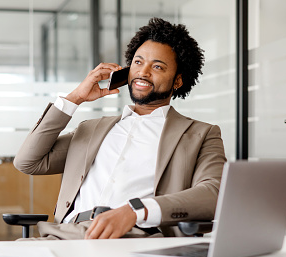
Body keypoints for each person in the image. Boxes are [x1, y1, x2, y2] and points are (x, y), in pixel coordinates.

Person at [14, 17, 226, 240]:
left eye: (157, 66)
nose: (143, 72)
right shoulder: (92, 129)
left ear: (178, 81)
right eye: (138, 62)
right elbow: (28, 162)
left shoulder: (200, 134)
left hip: (135, 237)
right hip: (65, 235)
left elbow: (214, 193)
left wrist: (136, 210)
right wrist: (74, 99)